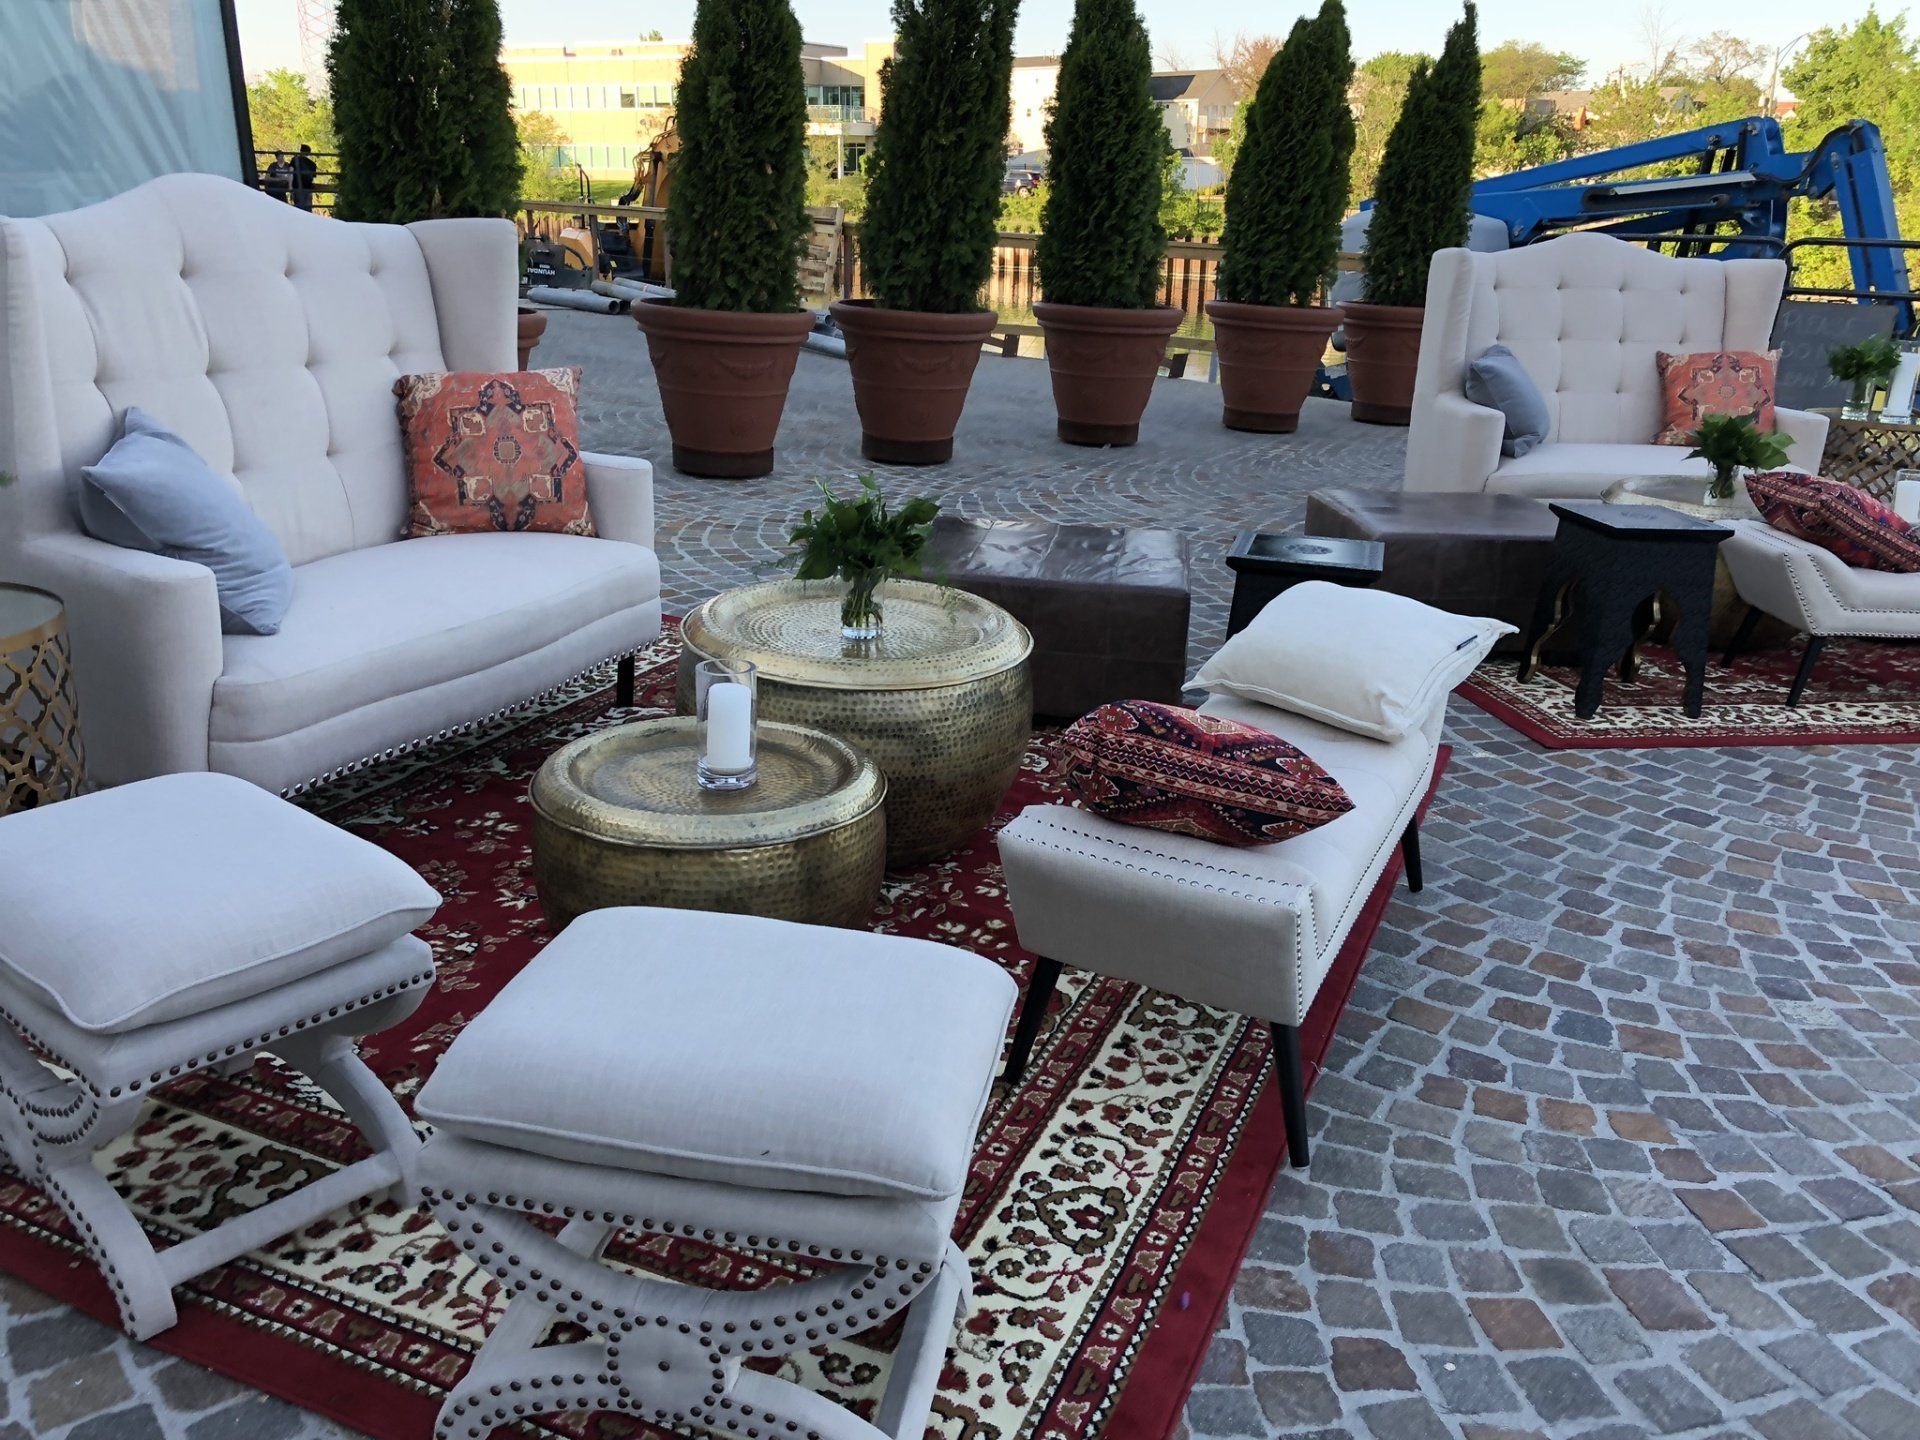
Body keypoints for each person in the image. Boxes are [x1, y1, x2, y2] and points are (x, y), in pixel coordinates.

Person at [290, 145, 318, 212]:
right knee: (307, 209)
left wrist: (290, 186)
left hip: (297, 187)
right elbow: (312, 178)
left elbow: (290, 172)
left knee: (298, 209)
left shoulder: (295, 159)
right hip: (308, 188)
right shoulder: (312, 164)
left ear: (300, 151)